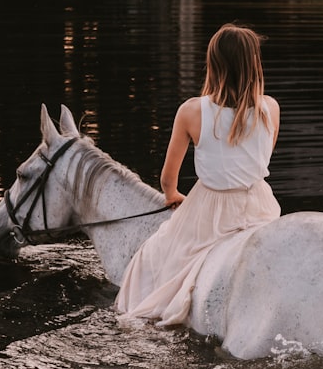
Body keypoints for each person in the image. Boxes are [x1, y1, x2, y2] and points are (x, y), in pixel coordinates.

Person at [115, 23, 281, 326]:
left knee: (152, 258)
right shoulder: (270, 108)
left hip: (211, 209)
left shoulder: (192, 111)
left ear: (213, 64)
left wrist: (172, 196)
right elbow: (260, 160)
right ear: (254, 63)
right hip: (259, 204)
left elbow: (168, 178)